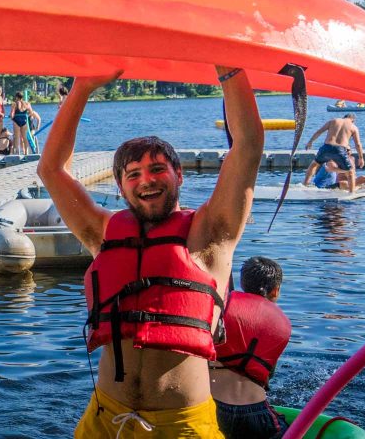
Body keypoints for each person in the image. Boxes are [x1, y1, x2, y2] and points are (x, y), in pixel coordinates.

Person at [40, 66, 262, 438]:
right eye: (133, 174)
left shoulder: (210, 234)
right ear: (122, 188)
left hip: (183, 425)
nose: (146, 179)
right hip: (105, 418)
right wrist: (83, 86)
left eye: (157, 169)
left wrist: (230, 68)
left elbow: (248, 147)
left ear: (179, 174)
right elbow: (51, 169)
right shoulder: (103, 234)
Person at [212, 257, 292, 439]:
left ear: (242, 283)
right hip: (256, 414)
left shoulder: (222, 308)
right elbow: (266, 377)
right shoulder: (282, 323)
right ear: (276, 290)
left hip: (213, 407)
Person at [301, 114, 364, 193]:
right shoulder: (353, 127)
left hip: (326, 147)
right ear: (353, 120)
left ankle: (305, 184)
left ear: (343, 117)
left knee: (314, 165)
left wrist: (310, 142)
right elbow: (358, 144)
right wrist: (361, 158)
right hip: (339, 149)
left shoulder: (333, 121)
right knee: (350, 172)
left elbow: (319, 132)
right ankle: (351, 193)